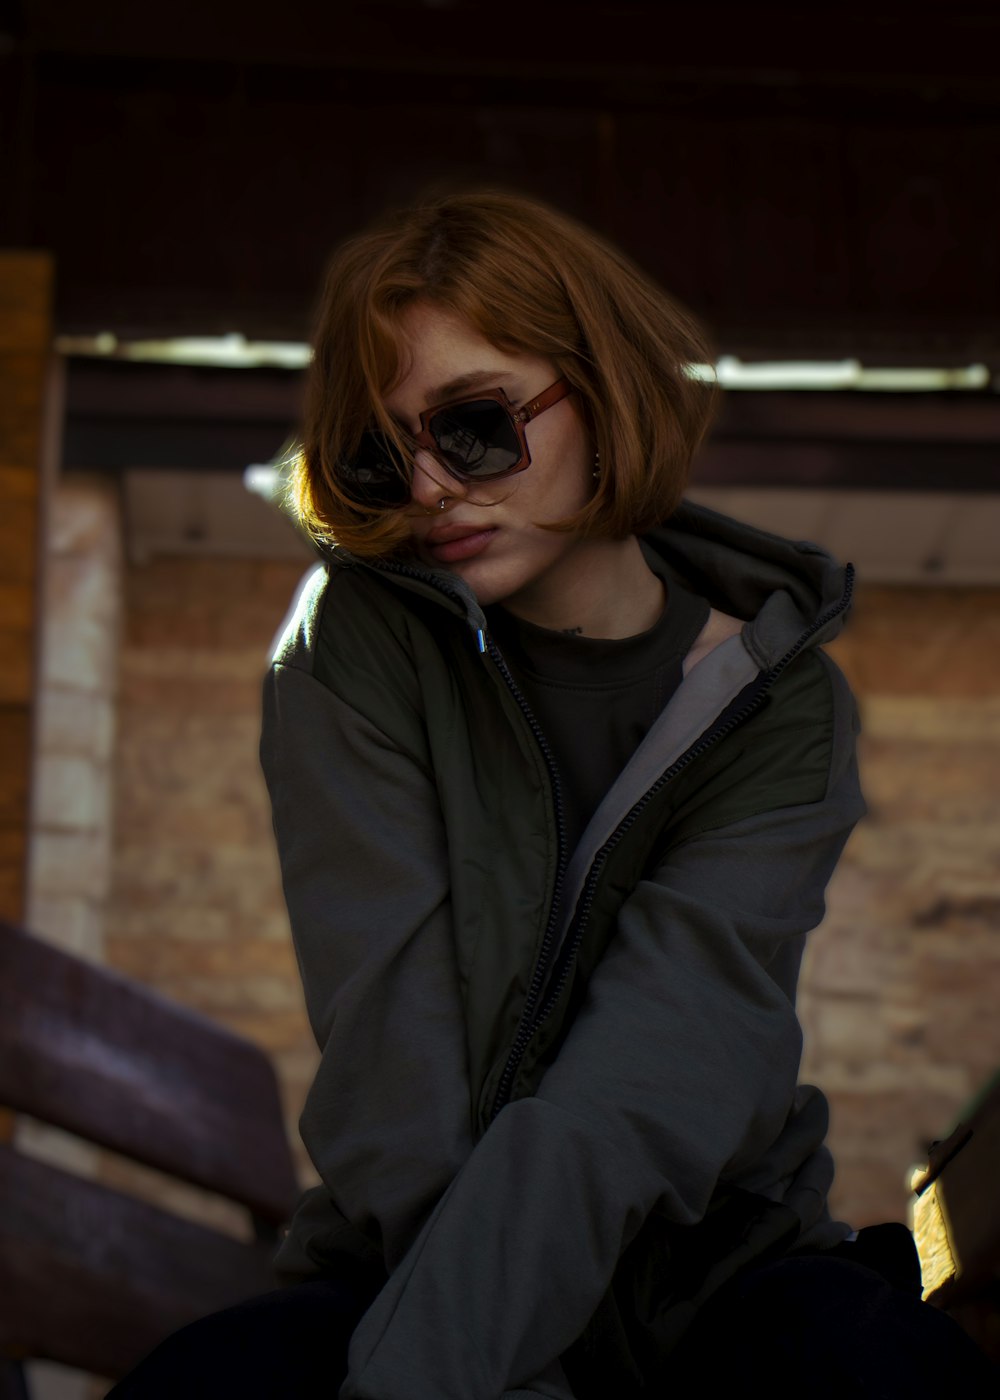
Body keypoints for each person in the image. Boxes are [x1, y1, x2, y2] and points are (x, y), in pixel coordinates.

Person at [108, 190, 998, 1398]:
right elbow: (394, 1076)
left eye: (474, 427)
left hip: (710, 1270)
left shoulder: (781, 704)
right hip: (416, 1256)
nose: (428, 486)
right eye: (383, 450)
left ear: (604, 391)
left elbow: (651, 1077)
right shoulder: (352, 647)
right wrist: (480, 1373)